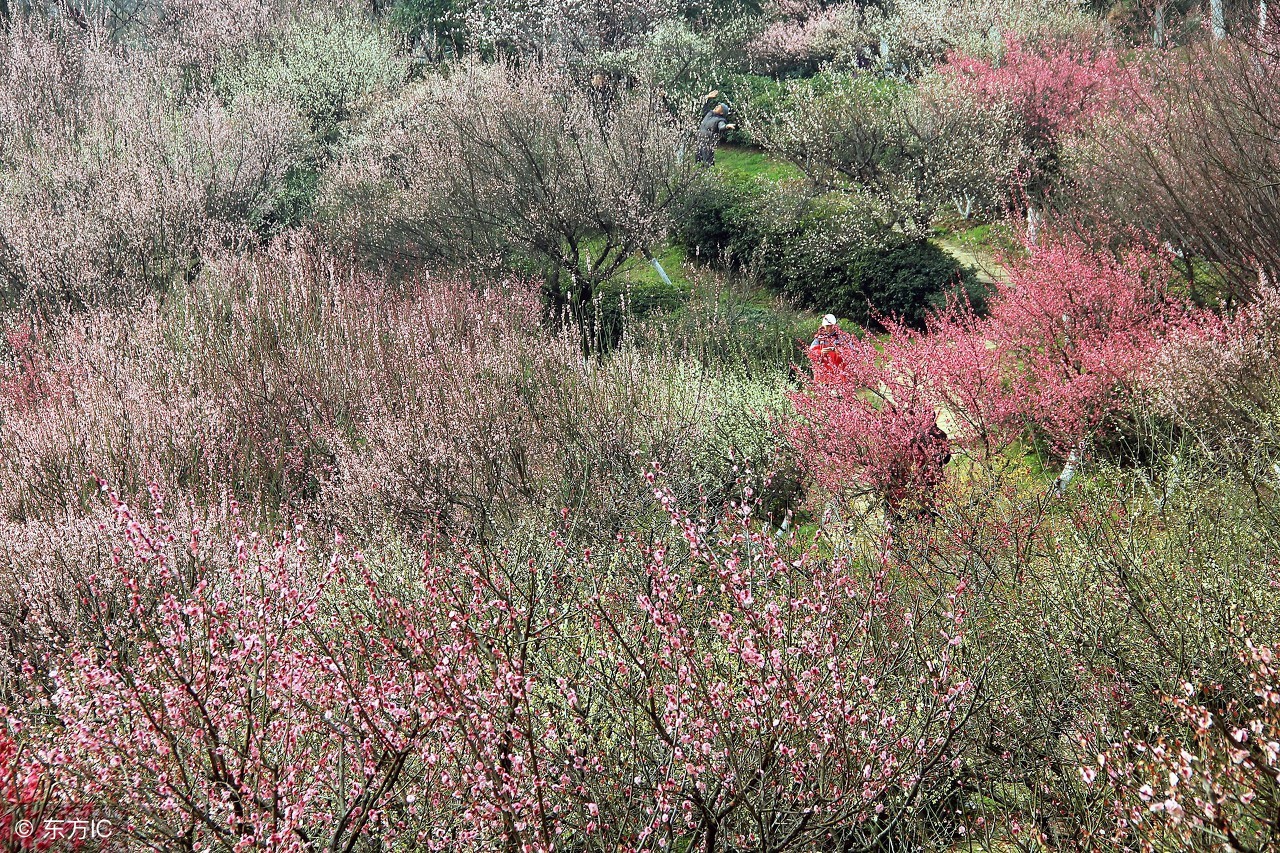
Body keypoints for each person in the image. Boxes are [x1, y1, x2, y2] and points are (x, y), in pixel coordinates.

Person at [696, 102, 735, 167]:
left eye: (719, 107)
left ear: (721, 113)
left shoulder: (720, 120)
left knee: (708, 163)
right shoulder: (709, 113)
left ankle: (710, 176)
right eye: (718, 105)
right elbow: (704, 108)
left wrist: (726, 126)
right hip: (699, 141)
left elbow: (721, 126)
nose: (717, 106)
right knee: (698, 163)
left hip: (708, 144)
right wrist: (708, 99)